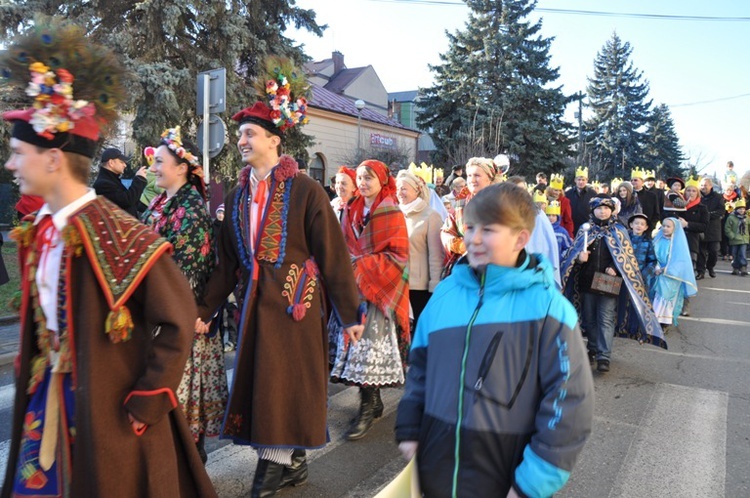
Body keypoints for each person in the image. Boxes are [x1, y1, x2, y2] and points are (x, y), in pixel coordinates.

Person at [1, 19, 216, 497]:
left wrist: (147, 401)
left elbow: (178, 317)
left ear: (54, 158)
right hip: (48, 404)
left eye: (19, 153)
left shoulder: (119, 231)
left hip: (111, 420)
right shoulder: (39, 231)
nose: (11, 164)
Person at [194, 57, 362, 497]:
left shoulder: (305, 190)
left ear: (273, 139)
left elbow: (332, 253)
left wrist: (350, 314)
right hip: (253, 307)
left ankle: (270, 470)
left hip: (294, 305)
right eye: (239, 135)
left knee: (283, 385)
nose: (241, 141)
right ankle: (293, 461)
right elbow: (228, 263)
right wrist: (205, 309)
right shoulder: (235, 196)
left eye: (249, 134)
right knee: (267, 390)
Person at [395, 183, 594, 498]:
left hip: (505, 480)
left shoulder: (549, 309)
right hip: (437, 470)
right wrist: (409, 427)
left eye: (488, 230)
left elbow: (569, 402)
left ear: (520, 239)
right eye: (470, 227)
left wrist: (532, 482)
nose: (473, 239)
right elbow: (420, 367)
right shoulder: (446, 294)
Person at [141, 127, 228, 463]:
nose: (153, 167)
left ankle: (191, 462)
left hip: (182, 317)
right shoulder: (163, 202)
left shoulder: (189, 210)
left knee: (184, 395)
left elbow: (182, 275)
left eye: (159, 161)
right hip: (162, 313)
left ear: (181, 167)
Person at [330, 160, 410, 441]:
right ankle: (372, 403)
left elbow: (399, 258)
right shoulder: (350, 209)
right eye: (360, 178)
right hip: (353, 291)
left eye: (369, 179)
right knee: (355, 354)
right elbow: (341, 245)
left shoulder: (391, 212)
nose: (362, 183)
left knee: (367, 354)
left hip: (378, 294)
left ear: (382, 182)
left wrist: (362, 264)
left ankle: (366, 409)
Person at [561, 195, 664, 372]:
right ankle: (592, 348)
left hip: (609, 281)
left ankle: (604, 356)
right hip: (586, 280)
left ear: (612, 210)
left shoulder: (619, 231)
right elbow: (572, 256)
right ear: (593, 211)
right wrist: (579, 258)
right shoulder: (585, 230)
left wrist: (615, 267)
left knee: (606, 318)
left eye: (606, 208)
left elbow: (626, 256)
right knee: (589, 318)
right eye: (599, 208)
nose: (603, 211)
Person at [396, 170, 444, 326]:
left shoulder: (430, 216)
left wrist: (434, 286)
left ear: (416, 190)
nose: (399, 193)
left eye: (404, 188)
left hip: (418, 287)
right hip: (396, 284)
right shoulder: (394, 214)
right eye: (397, 188)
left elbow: (436, 256)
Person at [441, 157, 497, 277]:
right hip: (465, 268)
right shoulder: (461, 203)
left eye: (477, 175)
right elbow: (446, 231)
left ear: (489, 179)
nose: (472, 180)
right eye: (469, 175)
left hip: (493, 268)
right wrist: (461, 245)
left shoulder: (500, 204)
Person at [651, 218, 698, 333]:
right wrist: (656, 267)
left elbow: (681, 261)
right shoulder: (657, 240)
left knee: (666, 298)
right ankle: (654, 321)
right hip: (657, 273)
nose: (665, 228)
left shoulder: (678, 243)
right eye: (664, 226)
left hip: (671, 275)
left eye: (668, 226)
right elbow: (651, 254)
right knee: (656, 297)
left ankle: (665, 322)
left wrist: (666, 269)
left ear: (675, 228)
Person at [619, 213, 657, 339]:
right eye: (636, 223)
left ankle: (636, 330)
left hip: (640, 278)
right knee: (622, 302)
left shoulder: (648, 242)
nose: (639, 226)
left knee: (638, 304)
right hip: (623, 276)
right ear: (631, 225)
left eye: (642, 224)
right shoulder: (624, 239)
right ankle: (621, 327)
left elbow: (652, 261)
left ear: (646, 227)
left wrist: (644, 275)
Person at [92, 147, 147, 217]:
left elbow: (132, 202)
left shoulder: (111, 180)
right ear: (111, 163)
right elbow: (126, 201)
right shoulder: (103, 184)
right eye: (121, 162)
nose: (125, 165)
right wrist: (139, 179)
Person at [697, 177, 724, 279]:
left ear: (710, 186)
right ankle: (701, 271)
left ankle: (710, 267)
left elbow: (721, 211)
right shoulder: (697, 196)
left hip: (713, 228)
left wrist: (707, 215)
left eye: (705, 185)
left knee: (714, 251)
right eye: (702, 185)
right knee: (701, 252)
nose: (703, 187)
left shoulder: (718, 197)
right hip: (700, 227)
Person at [566, 166, 597, 233]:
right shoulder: (568, 194)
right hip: (573, 226)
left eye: (583, 180)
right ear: (575, 180)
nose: (581, 182)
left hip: (587, 226)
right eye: (579, 180)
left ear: (587, 180)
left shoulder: (592, 193)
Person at [631, 168, 660, 233]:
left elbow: (656, 214)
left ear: (642, 182)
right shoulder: (629, 195)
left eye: (635, 180)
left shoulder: (651, 196)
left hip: (647, 230)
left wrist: (650, 226)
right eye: (632, 180)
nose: (633, 182)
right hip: (631, 230)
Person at [724, 198, 748, 276]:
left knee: (743, 254)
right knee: (735, 254)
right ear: (736, 210)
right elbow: (727, 228)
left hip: (744, 239)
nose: (741, 211)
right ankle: (735, 267)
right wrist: (732, 236)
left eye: (743, 209)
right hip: (734, 239)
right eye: (740, 209)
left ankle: (743, 267)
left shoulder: (747, 218)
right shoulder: (731, 217)